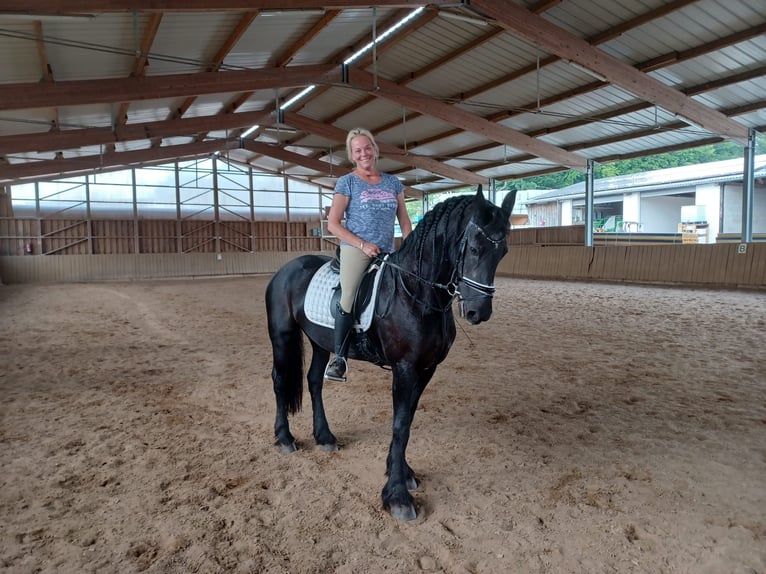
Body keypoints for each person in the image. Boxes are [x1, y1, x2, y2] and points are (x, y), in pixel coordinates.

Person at [324, 127, 413, 382]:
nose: (364, 153)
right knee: (349, 293)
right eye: (357, 150)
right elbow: (333, 224)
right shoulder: (347, 182)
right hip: (356, 249)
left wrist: (408, 245)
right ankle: (339, 358)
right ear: (353, 155)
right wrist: (362, 245)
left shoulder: (393, 182)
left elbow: (404, 221)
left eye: (367, 147)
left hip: (388, 248)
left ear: (375, 149)